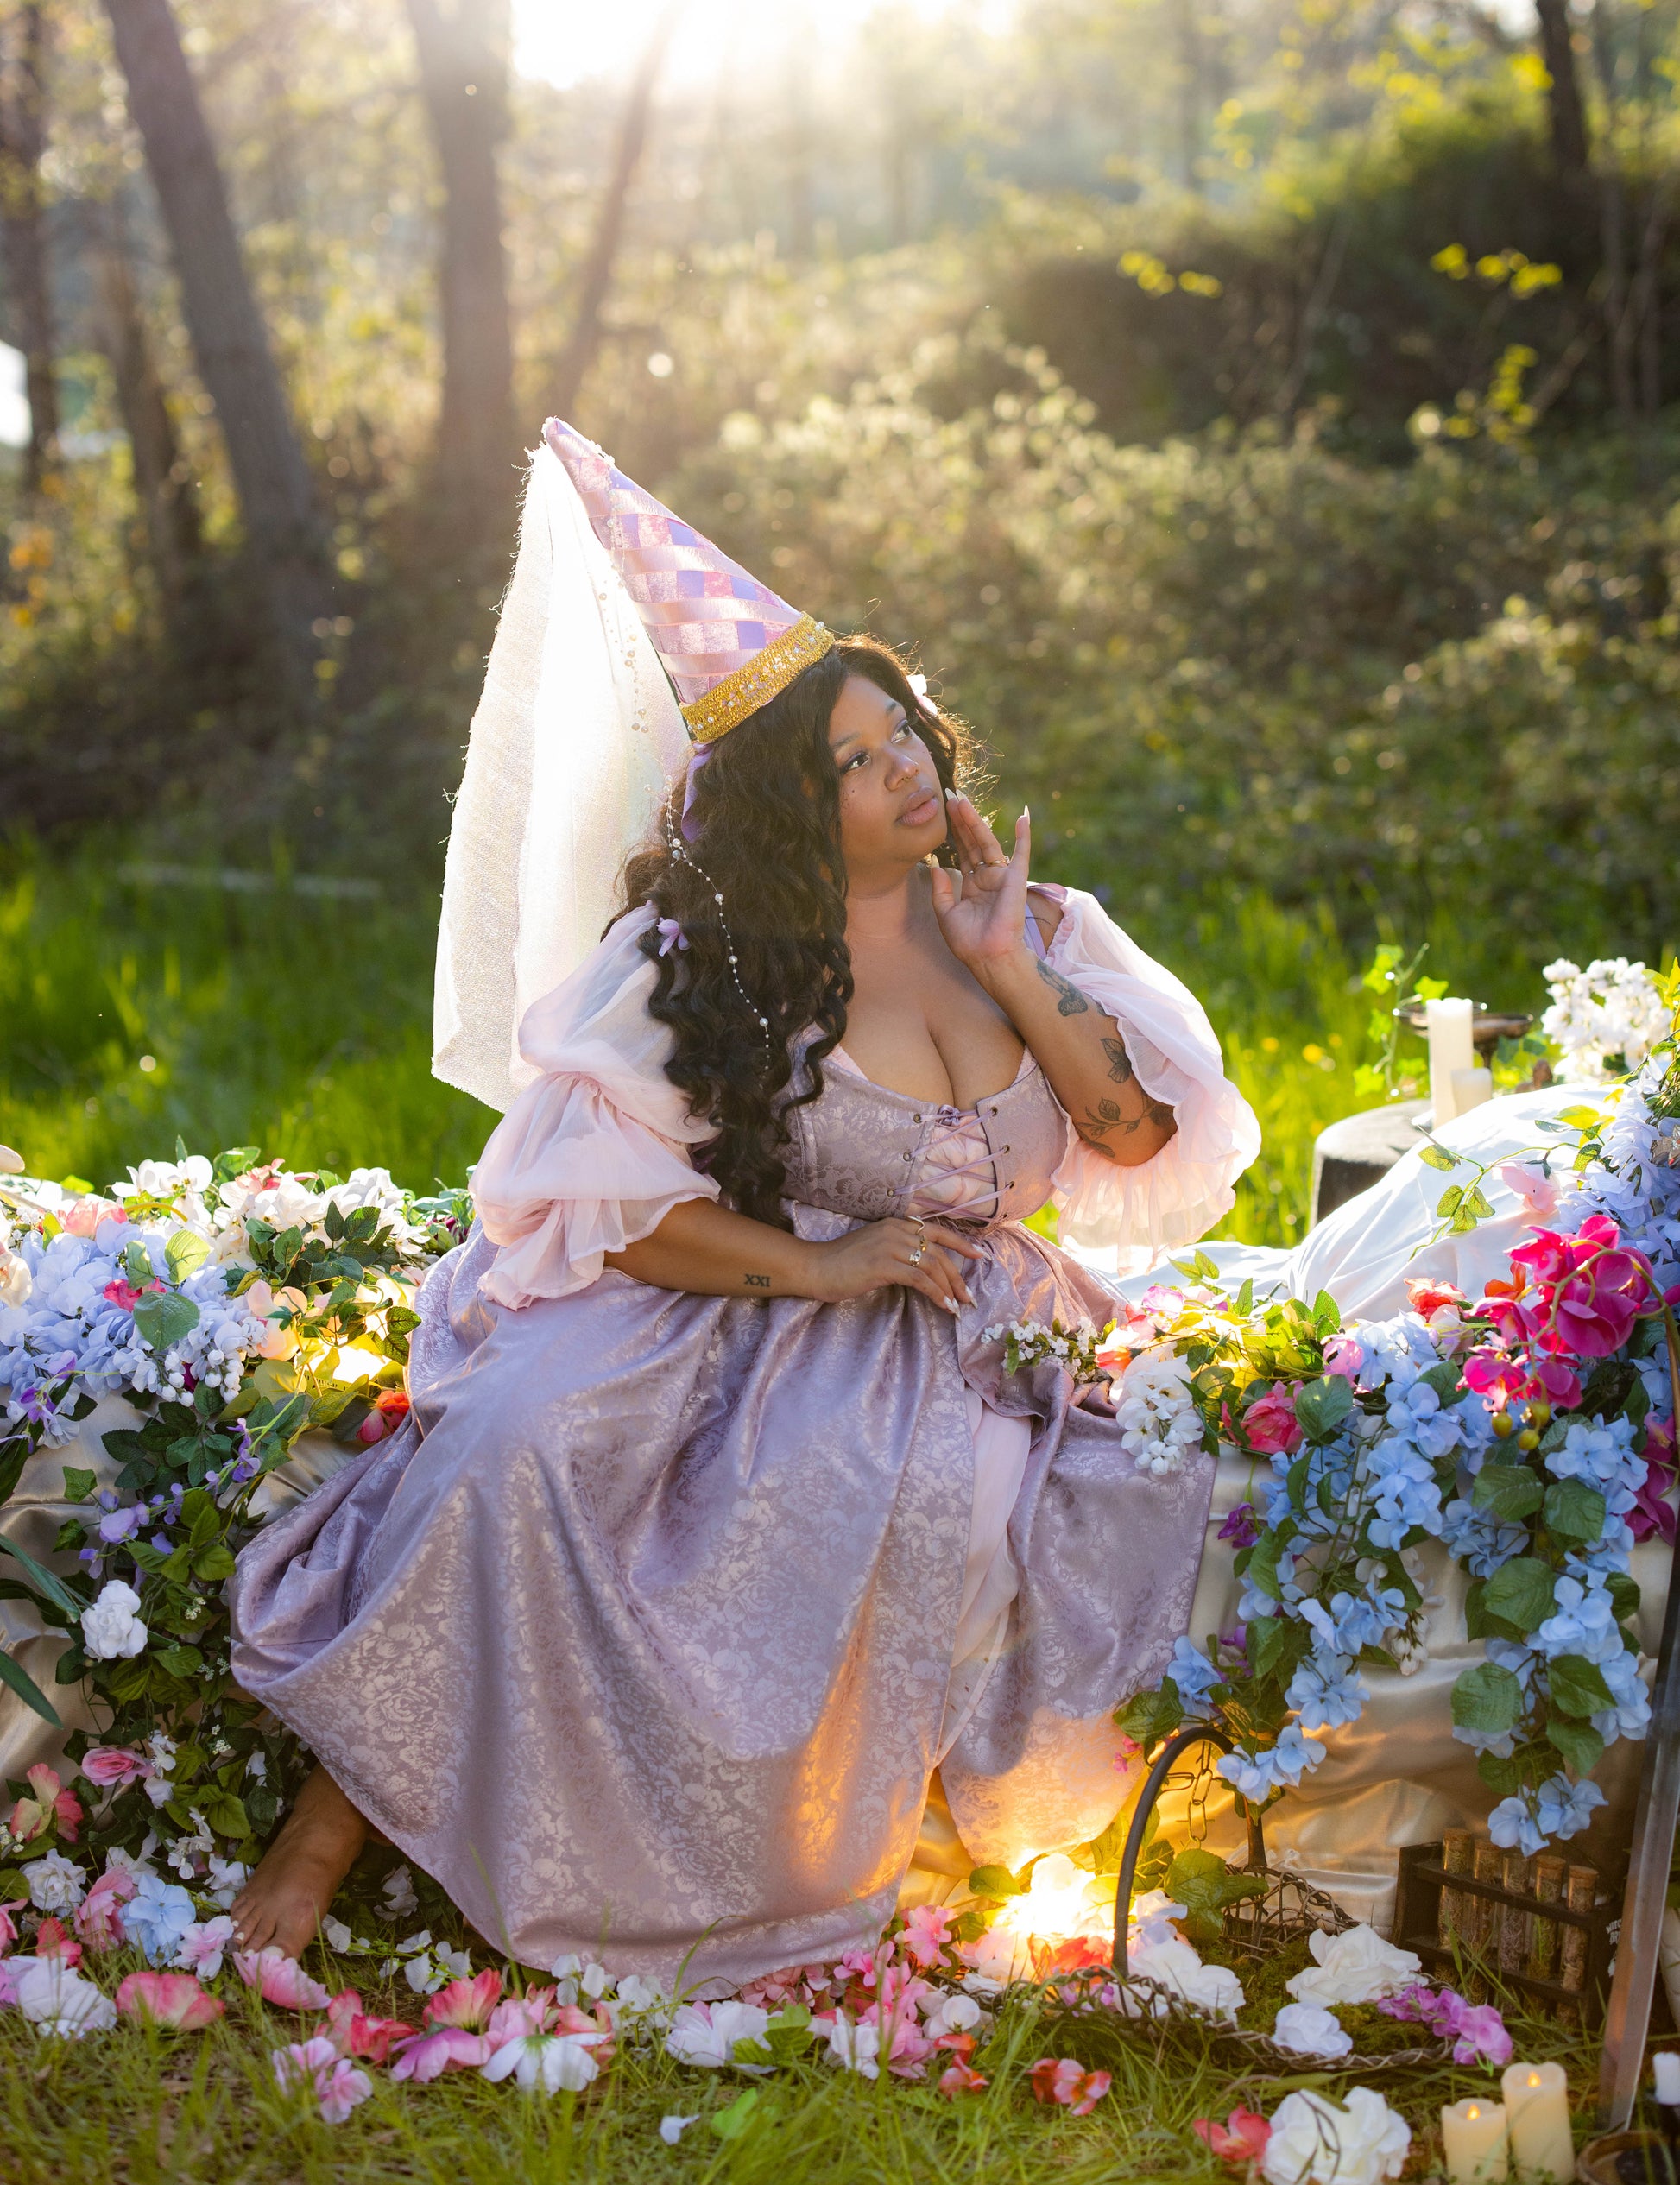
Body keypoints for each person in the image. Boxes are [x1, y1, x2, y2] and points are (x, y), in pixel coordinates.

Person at [226, 420, 1260, 1981]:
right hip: (767, 1289)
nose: (906, 768)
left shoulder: (1032, 925)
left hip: (984, 1317)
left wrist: (1008, 967)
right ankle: (331, 1824)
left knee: (1140, 1494)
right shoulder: (699, 963)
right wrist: (822, 1267)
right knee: (520, 1446)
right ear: (789, 805)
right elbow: (606, 1201)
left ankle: (977, 1840)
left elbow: (1126, 1135)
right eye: (855, 760)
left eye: (903, 732)